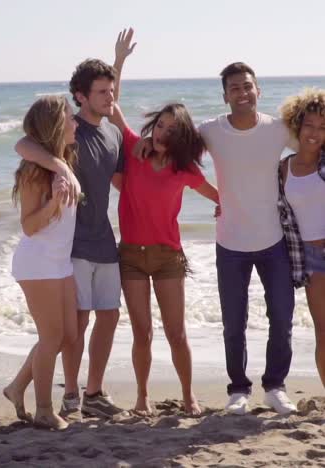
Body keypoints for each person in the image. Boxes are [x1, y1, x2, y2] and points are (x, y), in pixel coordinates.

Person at [111, 29, 219, 415]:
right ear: (153, 126)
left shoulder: (183, 169)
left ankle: (189, 396)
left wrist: (226, 209)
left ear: (180, 137)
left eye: (172, 130)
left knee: (176, 333)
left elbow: (213, 193)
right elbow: (111, 108)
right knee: (142, 333)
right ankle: (141, 398)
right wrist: (119, 62)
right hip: (130, 257)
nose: (162, 133)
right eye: (160, 126)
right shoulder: (132, 148)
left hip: (168, 256)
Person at [14, 59, 127, 420]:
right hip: (53, 258)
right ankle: (56, 403)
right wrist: (59, 176)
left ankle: (23, 388)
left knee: (82, 327)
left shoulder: (91, 142)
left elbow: (107, 106)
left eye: (111, 90)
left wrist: (119, 63)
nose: (73, 123)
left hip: (79, 253)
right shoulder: (49, 159)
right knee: (60, 335)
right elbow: (24, 144)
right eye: (100, 91)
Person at [198, 63, 298, 415]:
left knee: (282, 317)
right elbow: (176, 159)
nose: (243, 93)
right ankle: (238, 389)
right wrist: (214, 196)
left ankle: (275, 386)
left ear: (259, 91)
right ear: (225, 96)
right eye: (235, 88)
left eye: (248, 86)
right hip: (230, 244)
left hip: (274, 241)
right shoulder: (210, 131)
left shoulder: (278, 129)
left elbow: (313, 146)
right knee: (233, 322)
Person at [3, 95, 79, 430]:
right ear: (56, 126)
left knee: (67, 336)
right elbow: (30, 226)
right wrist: (53, 205)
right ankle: (44, 411)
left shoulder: (62, 162)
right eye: (70, 119)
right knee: (51, 338)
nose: (75, 123)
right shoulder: (35, 173)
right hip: (37, 263)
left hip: (59, 262)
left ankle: (17, 386)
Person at [278, 88, 325, 386]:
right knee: (323, 330)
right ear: (297, 124)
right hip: (308, 258)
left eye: (323, 127)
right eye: (309, 125)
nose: (315, 133)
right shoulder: (284, 168)